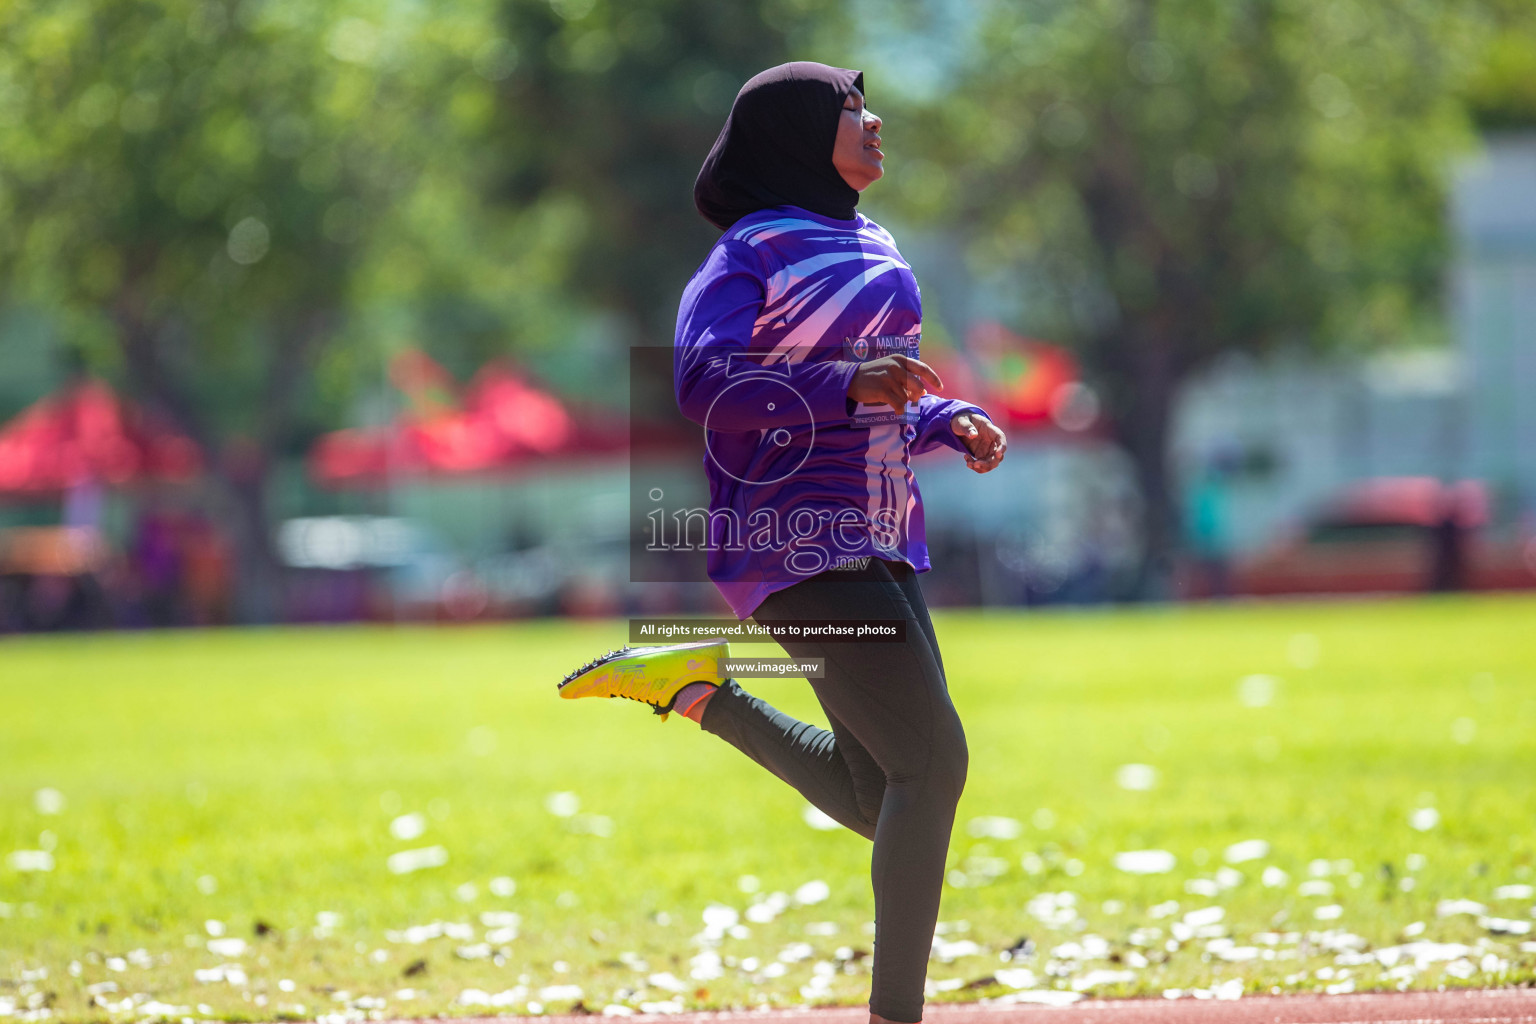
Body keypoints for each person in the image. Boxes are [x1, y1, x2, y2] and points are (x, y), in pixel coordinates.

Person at [559, 62, 1006, 1024]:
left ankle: (694, 690)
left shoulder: (872, 239)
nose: (876, 120)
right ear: (801, 134)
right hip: (793, 542)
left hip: (884, 538)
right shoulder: (747, 254)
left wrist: (951, 418)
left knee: (875, 789)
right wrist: (850, 386)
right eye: (851, 110)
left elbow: (883, 396)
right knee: (933, 767)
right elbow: (702, 388)